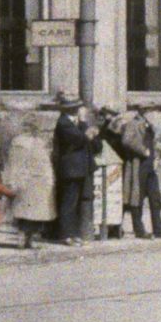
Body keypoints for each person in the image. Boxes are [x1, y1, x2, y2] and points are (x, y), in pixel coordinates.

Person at [106, 105, 161, 240]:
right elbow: (126, 140)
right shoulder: (133, 124)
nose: (153, 113)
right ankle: (139, 230)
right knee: (137, 198)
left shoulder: (151, 125)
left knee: (155, 197)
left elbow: (155, 142)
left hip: (150, 165)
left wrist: (156, 156)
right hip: (137, 164)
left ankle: (159, 229)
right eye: (149, 111)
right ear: (142, 112)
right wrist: (143, 150)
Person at [4, 112, 57, 249]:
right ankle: (26, 239)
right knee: (30, 214)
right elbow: (44, 162)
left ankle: (25, 239)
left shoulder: (20, 142)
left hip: (28, 180)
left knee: (27, 213)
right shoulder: (34, 143)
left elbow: (13, 163)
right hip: (33, 181)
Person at [53, 98, 99, 245]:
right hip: (70, 168)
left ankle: (75, 233)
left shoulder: (78, 122)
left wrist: (89, 130)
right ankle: (66, 234)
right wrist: (88, 133)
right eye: (75, 107)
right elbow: (78, 139)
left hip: (81, 168)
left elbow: (93, 142)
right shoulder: (63, 123)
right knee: (69, 201)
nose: (77, 109)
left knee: (79, 201)